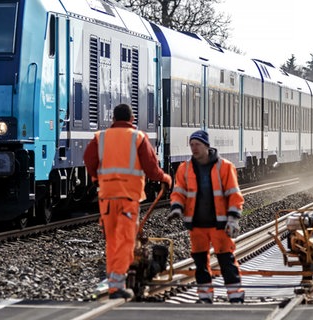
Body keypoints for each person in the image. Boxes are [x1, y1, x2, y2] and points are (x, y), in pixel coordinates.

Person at [83, 103, 172, 300]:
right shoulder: (138, 138)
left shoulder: (101, 137)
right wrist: (165, 178)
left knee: (112, 240)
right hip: (128, 198)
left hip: (106, 198)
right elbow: (151, 168)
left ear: (113, 119)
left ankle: (115, 281)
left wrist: (97, 178)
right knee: (125, 240)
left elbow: (88, 159)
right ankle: (117, 285)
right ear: (132, 119)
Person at [167, 130, 245, 304]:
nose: (194, 148)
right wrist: (176, 208)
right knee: (200, 263)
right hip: (197, 225)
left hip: (220, 224)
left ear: (207, 146)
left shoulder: (224, 167)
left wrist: (233, 219)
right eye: (192, 145)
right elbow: (179, 192)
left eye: (197, 145)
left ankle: (235, 296)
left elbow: (234, 195)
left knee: (226, 262)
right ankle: (204, 297)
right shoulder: (184, 168)